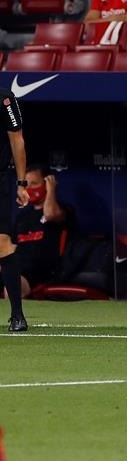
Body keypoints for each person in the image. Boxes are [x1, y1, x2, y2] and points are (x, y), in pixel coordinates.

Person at [13, 165, 72, 298]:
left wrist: (51, 189)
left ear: (46, 183)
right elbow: (11, 246)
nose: (29, 188)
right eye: (26, 184)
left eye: (34, 184)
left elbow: (50, 214)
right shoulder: (22, 217)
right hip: (17, 266)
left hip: (42, 270)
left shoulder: (63, 210)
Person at [0, 88, 30, 332]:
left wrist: (21, 183)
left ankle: (17, 315)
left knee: (2, 243)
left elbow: (16, 139)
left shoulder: (5, 98)